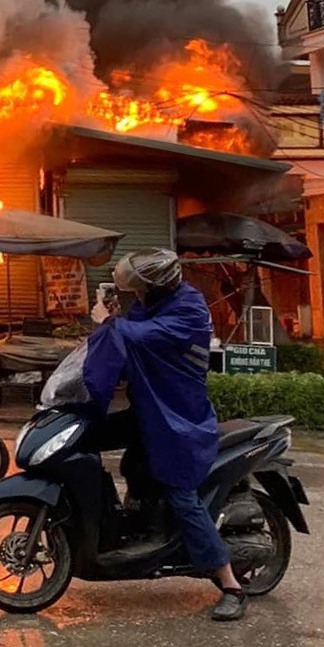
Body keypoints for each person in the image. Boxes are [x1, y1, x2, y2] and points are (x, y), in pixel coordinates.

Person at [82, 249, 246, 622]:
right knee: (90, 438)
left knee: (182, 496)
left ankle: (230, 583)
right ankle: (126, 526)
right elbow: (132, 344)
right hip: (148, 410)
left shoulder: (189, 309)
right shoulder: (149, 304)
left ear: (156, 287)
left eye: (138, 290)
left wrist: (110, 322)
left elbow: (141, 335)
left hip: (179, 419)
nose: (134, 295)